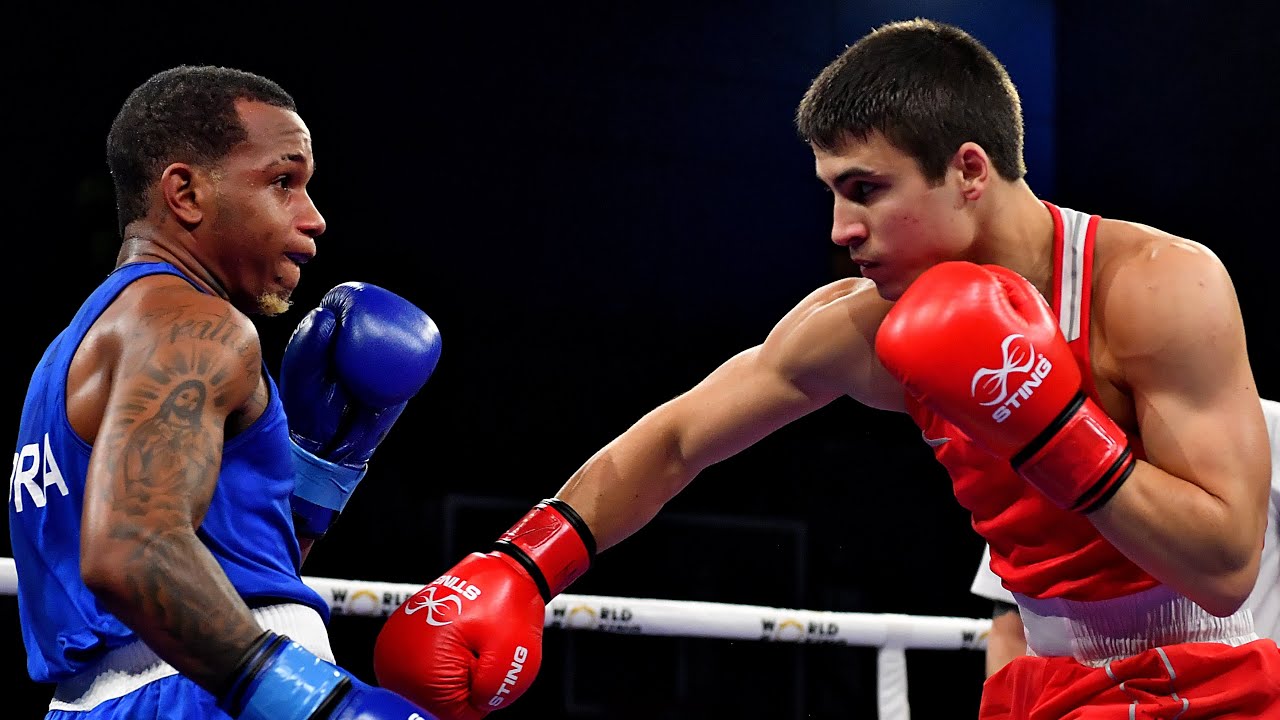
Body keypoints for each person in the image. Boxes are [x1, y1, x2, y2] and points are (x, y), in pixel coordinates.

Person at [374, 18, 1280, 719]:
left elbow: (1227, 565)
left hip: (1220, 668)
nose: (842, 230)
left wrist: (1050, 426)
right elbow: (681, 438)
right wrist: (525, 565)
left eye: (866, 190)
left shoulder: (1156, 286)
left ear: (969, 169)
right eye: (833, 193)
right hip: (1049, 681)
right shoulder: (861, 328)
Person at [8, 65, 443, 720]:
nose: (315, 218)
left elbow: (231, 562)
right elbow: (133, 551)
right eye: (282, 182)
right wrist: (316, 705)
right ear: (185, 192)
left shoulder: (71, 352)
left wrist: (317, 465)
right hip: (208, 692)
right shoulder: (197, 327)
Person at [973, 396, 1280, 677]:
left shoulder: (1268, 426)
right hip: (1079, 698)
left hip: (1235, 691)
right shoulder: (1046, 432)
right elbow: (1010, 624)